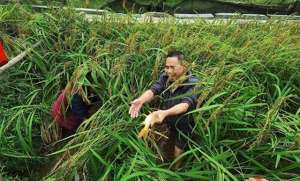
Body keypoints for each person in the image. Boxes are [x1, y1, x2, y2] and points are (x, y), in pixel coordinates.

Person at [129, 50, 199, 168]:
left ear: (184, 66)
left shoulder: (194, 83)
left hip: (183, 123)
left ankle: (176, 171)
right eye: (167, 67)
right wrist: (141, 100)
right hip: (166, 117)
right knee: (163, 137)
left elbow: (185, 105)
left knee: (178, 152)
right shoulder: (166, 76)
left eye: (173, 67)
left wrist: (165, 113)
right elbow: (154, 90)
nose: (169, 71)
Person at [52, 66, 102, 137]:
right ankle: (71, 135)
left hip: (70, 107)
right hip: (61, 113)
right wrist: (90, 125)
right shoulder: (76, 96)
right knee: (77, 125)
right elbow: (82, 116)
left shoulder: (80, 89)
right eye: (92, 82)